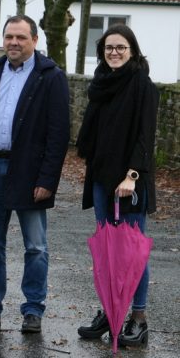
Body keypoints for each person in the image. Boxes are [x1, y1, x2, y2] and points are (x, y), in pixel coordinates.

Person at [0, 15, 70, 333]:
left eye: (21, 37)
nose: (14, 43)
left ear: (34, 40)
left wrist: (47, 180)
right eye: (9, 37)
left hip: (29, 174)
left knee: (35, 246)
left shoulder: (50, 77)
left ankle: (33, 310)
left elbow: (58, 135)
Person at [76, 24, 158, 347]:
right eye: (109, 48)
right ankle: (111, 314)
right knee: (108, 251)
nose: (114, 53)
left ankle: (138, 319)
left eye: (120, 48)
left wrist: (132, 175)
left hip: (129, 182)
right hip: (101, 178)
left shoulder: (142, 86)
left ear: (132, 51)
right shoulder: (101, 84)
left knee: (132, 253)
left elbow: (145, 136)